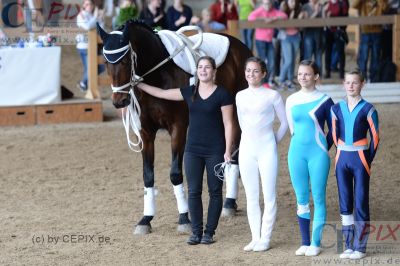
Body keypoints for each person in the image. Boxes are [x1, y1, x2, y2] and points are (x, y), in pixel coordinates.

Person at [136, 56, 234, 245]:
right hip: (192, 150)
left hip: (215, 149)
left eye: (207, 67)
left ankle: (209, 233)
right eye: (200, 67)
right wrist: (140, 85)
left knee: (215, 192)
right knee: (194, 191)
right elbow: (162, 93)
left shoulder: (223, 94)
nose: (203, 70)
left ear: (214, 71)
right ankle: (196, 232)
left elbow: (228, 124)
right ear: (196, 71)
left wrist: (227, 150)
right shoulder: (190, 92)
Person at [236, 57, 288, 252]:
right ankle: (255, 237)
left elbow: (284, 122)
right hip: (247, 148)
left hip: (267, 149)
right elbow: (241, 122)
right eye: (248, 71)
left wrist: (274, 141)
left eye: (256, 71)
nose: (251, 74)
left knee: (269, 195)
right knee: (251, 196)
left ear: (263, 73)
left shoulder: (272, 95)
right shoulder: (240, 95)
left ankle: (265, 237)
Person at [285, 60, 334, 256]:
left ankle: (315, 242)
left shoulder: (325, 99)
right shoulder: (291, 99)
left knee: (319, 198)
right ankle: (305, 242)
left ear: (316, 77)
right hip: (296, 153)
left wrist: (323, 148)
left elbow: (333, 130)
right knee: (301, 199)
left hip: (318, 155)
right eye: (300, 74)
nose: (303, 77)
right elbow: (292, 129)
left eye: (307, 74)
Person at [331, 69, 379, 260]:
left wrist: (367, 158)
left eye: (355, 82)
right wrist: (341, 151)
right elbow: (334, 135)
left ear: (362, 84)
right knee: (345, 202)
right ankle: (348, 245)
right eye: (348, 82)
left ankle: (360, 246)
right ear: (344, 84)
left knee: (360, 201)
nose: (351, 86)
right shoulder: (336, 108)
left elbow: (375, 137)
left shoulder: (369, 109)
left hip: (360, 159)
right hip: (342, 157)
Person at [248, 0, 287, 88]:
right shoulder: (260, 10)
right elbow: (250, 17)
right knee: (262, 61)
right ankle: (263, 82)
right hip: (260, 40)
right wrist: (262, 19)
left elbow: (284, 16)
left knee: (271, 61)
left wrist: (274, 19)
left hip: (270, 40)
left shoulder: (274, 11)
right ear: (262, 4)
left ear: (271, 4)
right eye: (265, 3)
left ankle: (268, 80)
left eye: (269, 3)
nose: (267, 5)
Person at [352, 0, 388, 82]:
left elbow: (385, 8)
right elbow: (354, 5)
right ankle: (361, 80)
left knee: (375, 57)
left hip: (377, 31)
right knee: (363, 57)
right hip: (365, 32)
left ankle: (374, 80)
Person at [76, 0, 105, 92]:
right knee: (90, 68)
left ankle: (84, 83)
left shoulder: (92, 16)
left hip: (95, 45)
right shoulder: (81, 15)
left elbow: (101, 29)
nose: (88, 5)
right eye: (86, 4)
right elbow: (88, 26)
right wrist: (96, 17)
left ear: (93, 5)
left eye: (90, 4)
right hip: (84, 46)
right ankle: (85, 84)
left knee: (101, 67)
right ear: (83, 5)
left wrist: (101, 18)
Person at [277, 0, 303, 91]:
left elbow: (301, 27)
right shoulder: (282, 12)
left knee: (293, 60)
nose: (293, 3)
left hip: (296, 37)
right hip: (286, 37)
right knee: (288, 60)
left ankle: (290, 80)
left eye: (294, 2)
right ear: (287, 3)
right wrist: (291, 18)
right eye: (291, 1)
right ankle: (281, 80)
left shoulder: (298, 10)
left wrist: (299, 19)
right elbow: (280, 27)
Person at [323, 0, 349, 79]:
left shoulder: (342, 3)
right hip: (328, 30)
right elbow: (323, 19)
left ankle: (341, 72)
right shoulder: (326, 4)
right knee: (328, 52)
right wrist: (325, 12)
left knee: (340, 52)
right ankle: (328, 72)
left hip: (339, 31)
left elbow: (345, 15)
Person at [301, 0, 325, 77]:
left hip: (319, 33)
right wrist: (316, 12)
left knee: (318, 55)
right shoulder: (305, 7)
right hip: (308, 33)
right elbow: (307, 21)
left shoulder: (321, 6)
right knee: (308, 55)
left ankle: (318, 76)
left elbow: (324, 20)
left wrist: (323, 10)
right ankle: (306, 74)